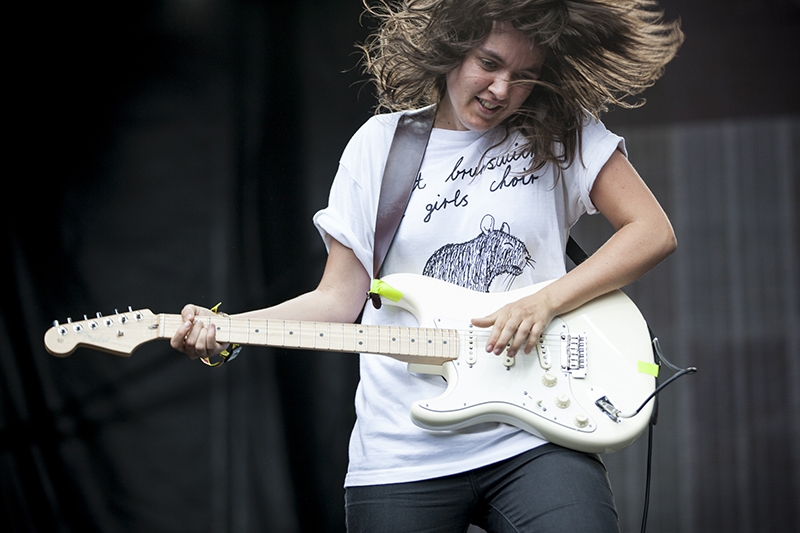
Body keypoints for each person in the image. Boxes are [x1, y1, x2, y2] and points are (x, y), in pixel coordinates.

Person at [171, 1, 683, 531]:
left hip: (535, 434)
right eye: (488, 63)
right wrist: (232, 330)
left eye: (524, 76)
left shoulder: (561, 134)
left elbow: (652, 231)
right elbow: (337, 299)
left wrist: (545, 299)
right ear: (450, 48)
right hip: (402, 450)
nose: (502, 90)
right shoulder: (379, 147)